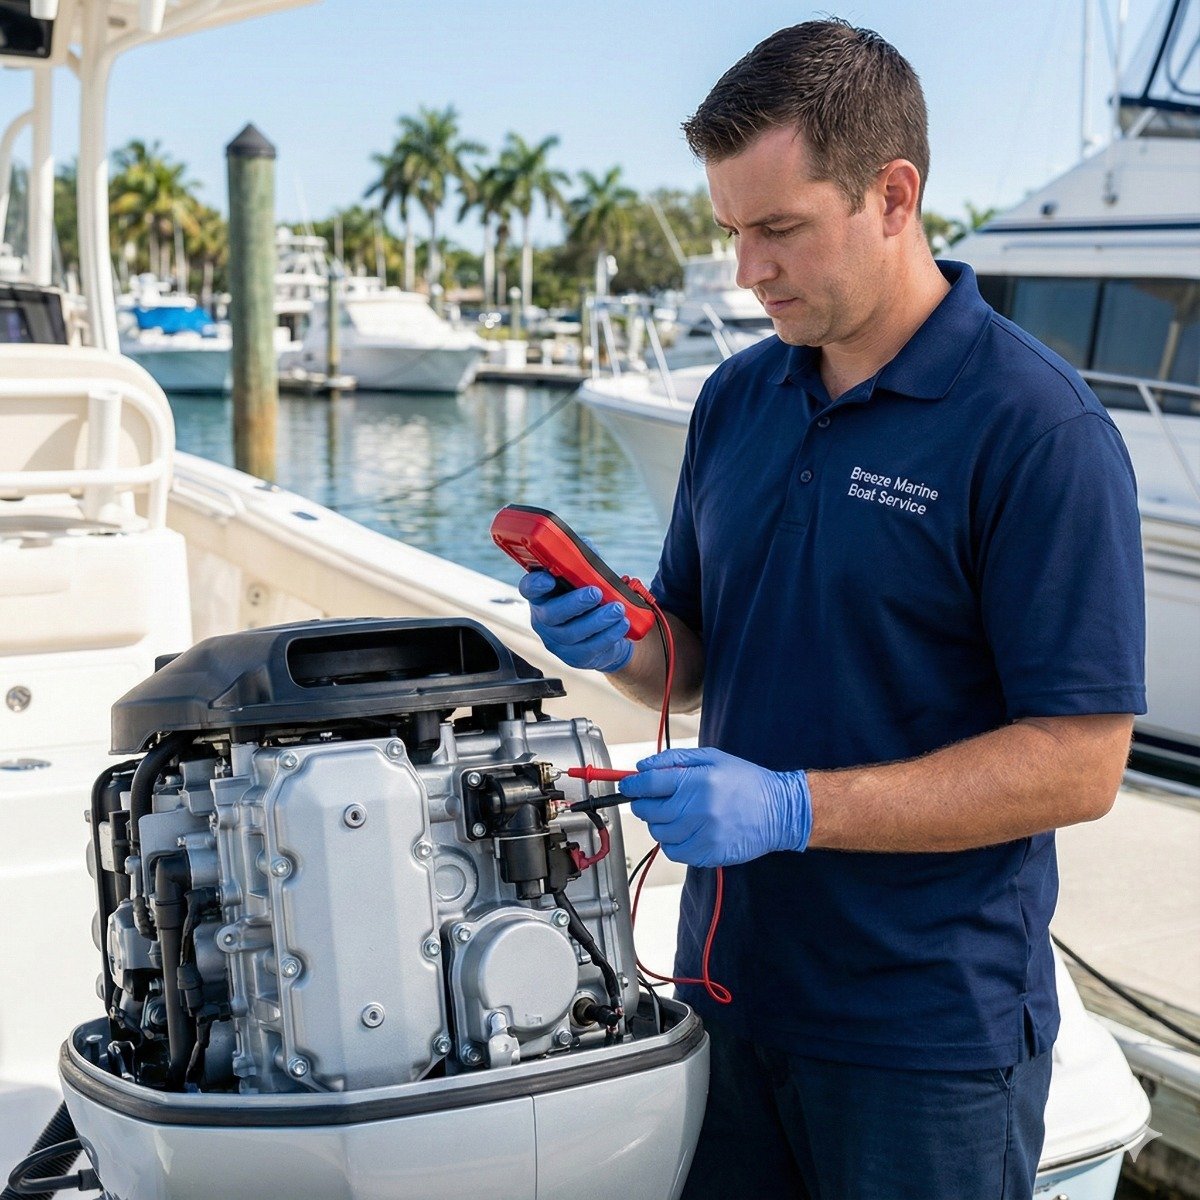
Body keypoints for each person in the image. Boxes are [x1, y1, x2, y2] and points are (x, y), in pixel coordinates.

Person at [519, 19, 1145, 1200]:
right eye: (732, 231)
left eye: (779, 229)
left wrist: (794, 807)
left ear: (893, 195)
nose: (747, 270)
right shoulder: (737, 398)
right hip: (725, 995)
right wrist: (622, 637)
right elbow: (689, 664)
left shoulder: (1038, 431)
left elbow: (1080, 765)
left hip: (926, 1041)